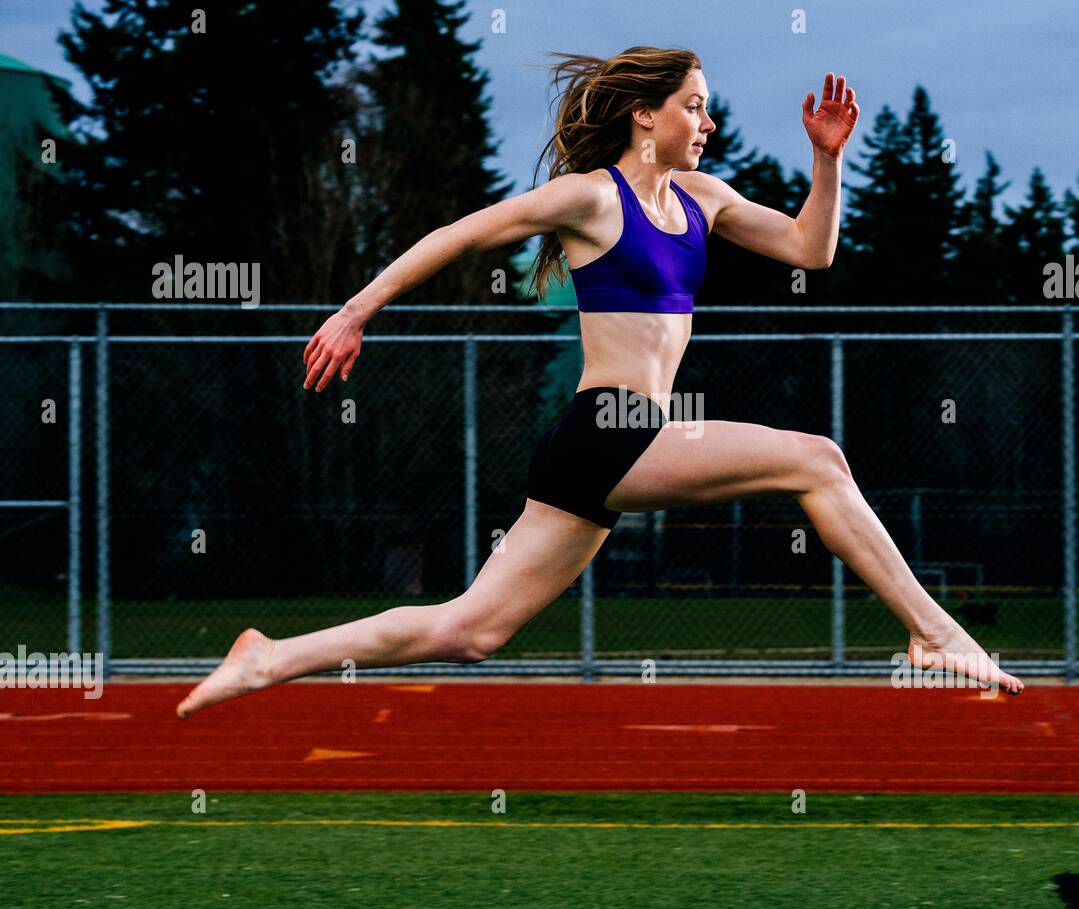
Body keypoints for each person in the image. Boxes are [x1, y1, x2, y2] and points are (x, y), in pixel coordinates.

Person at [177, 45, 1021, 720]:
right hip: (608, 429)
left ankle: (270, 657)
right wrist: (356, 310)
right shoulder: (590, 198)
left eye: (707, 105)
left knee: (471, 630)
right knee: (817, 458)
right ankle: (932, 633)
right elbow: (461, 233)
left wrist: (826, 161)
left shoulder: (704, 198)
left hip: (616, 446)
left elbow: (812, 249)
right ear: (643, 114)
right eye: (692, 104)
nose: (707, 119)